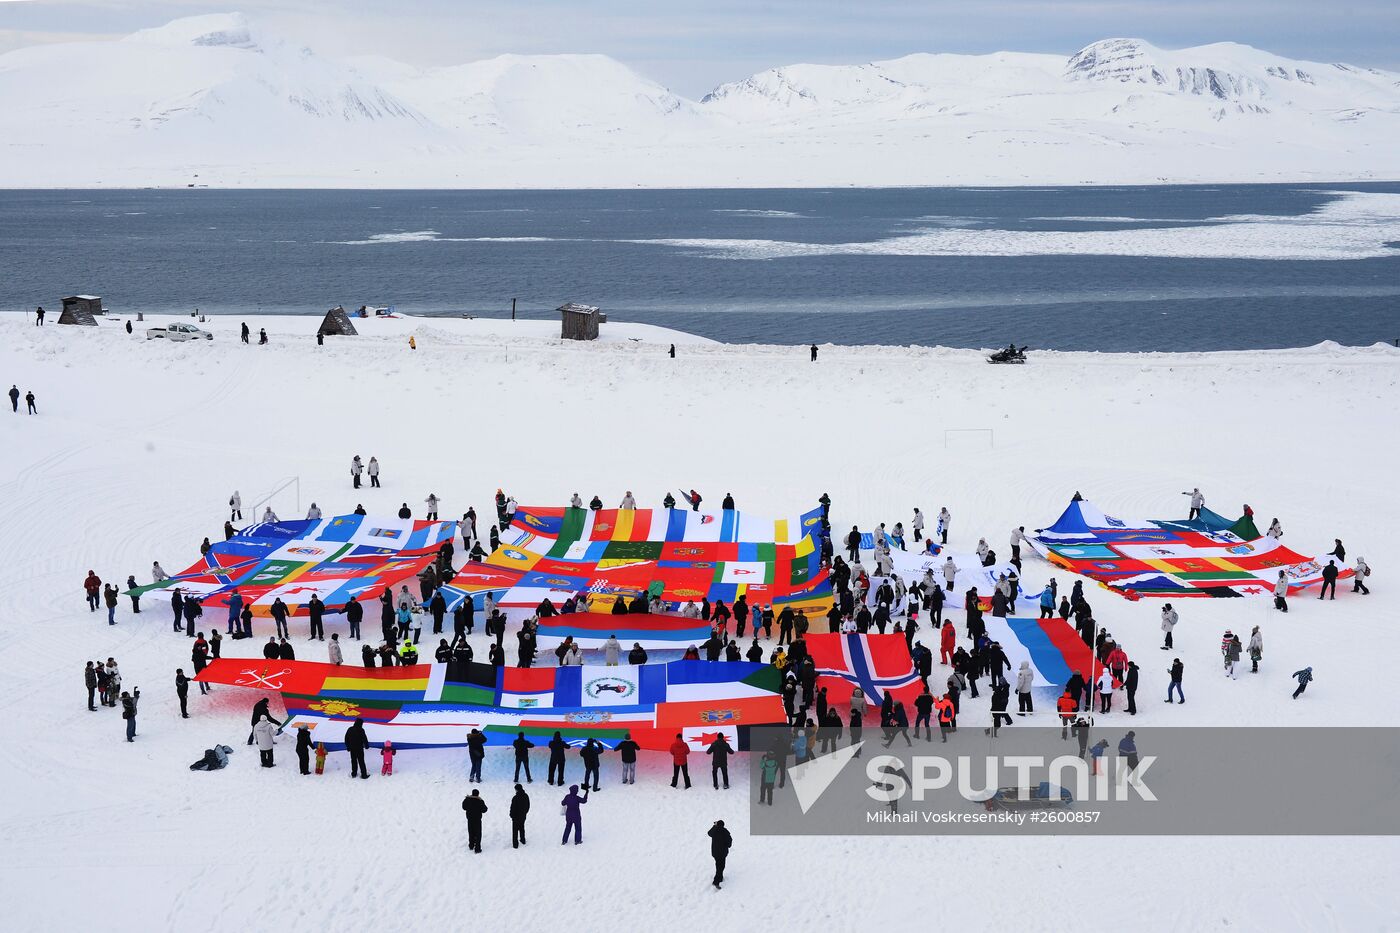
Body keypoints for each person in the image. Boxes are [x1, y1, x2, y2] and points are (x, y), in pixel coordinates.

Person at [709, 820, 733, 889]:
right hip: (722, 853)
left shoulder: (714, 831)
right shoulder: (725, 832)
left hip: (715, 853)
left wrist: (714, 826)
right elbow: (729, 843)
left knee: (719, 865)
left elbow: (709, 833)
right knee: (721, 867)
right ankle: (716, 881)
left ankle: (720, 878)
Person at [509, 783, 530, 848]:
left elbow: (513, 808)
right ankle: (523, 839)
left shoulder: (515, 798)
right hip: (523, 816)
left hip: (516, 817)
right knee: (522, 828)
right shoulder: (526, 796)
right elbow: (528, 806)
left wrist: (511, 815)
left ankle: (515, 844)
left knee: (515, 831)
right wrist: (525, 812)